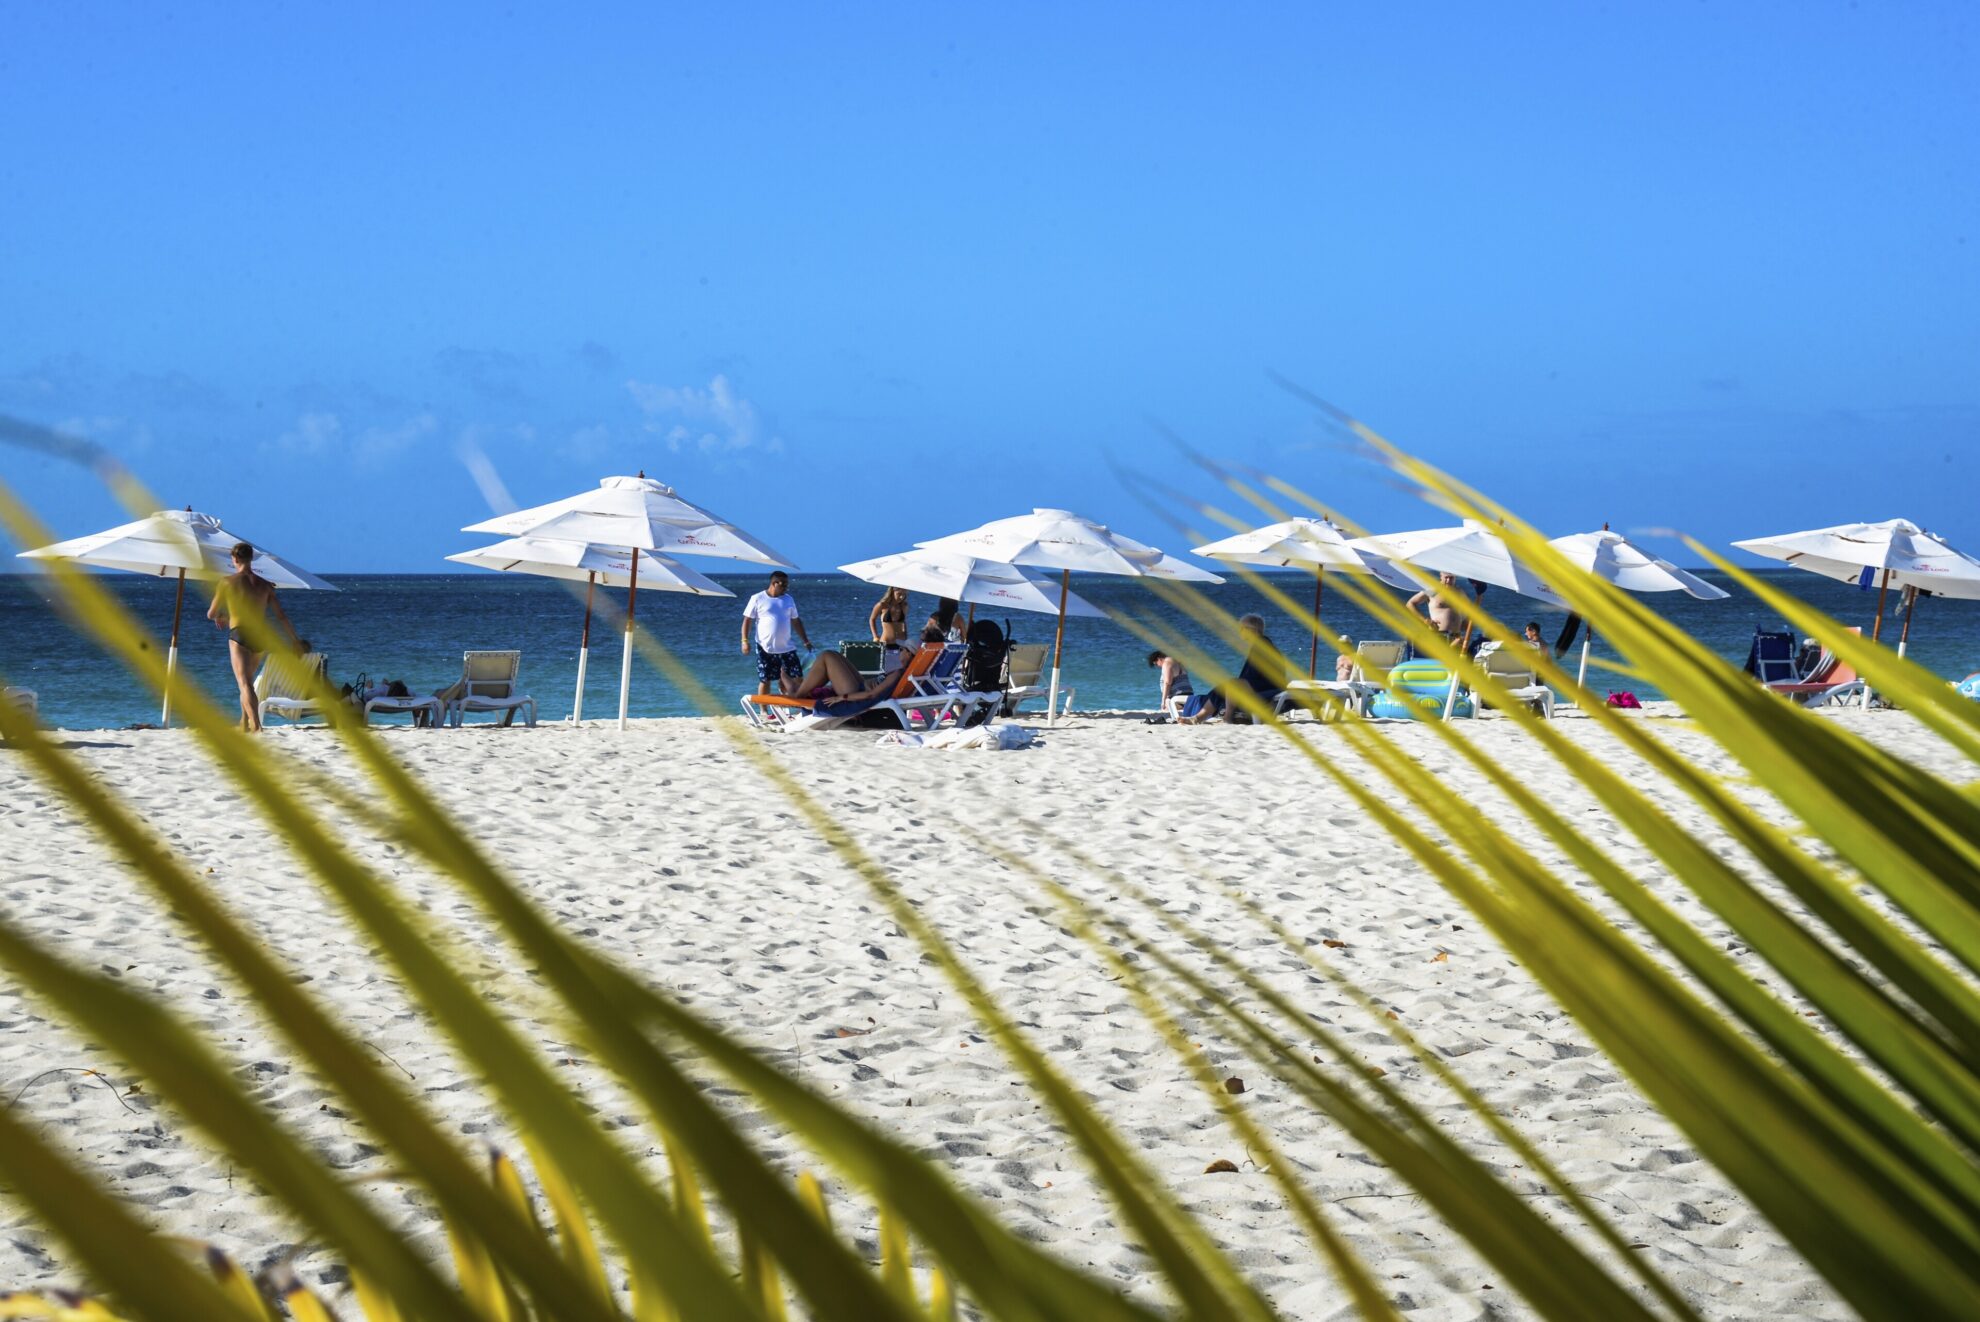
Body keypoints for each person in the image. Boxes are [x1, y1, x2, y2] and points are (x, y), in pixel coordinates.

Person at [206, 540, 299, 732]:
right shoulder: (266, 585)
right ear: (251, 558)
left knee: (245, 683)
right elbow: (281, 616)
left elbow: (211, 613)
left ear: (235, 559)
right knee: (247, 681)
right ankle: (244, 722)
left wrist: (224, 616)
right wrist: (294, 640)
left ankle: (256, 725)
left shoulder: (226, 582)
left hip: (240, 633)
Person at [1185, 615, 1287, 724]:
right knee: (1225, 686)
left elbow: (1253, 674)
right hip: (1266, 684)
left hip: (1269, 687)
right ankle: (1197, 718)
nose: (1240, 631)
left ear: (1252, 630)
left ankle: (1227, 717)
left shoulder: (1261, 645)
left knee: (1232, 684)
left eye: (1242, 628)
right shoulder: (1261, 644)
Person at [741, 571, 813, 696]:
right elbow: (747, 620)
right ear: (774, 583)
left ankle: (799, 707)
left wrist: (806, 641)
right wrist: (744, 641)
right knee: (765, 680)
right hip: (765, 647)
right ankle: (764, 712)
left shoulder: (788, 599)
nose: (786, 587)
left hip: (787, 647)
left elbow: (796, 621)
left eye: (787, 585)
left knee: (798, 677)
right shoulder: (757, 598)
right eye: (784, 584)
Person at [787, 647, 905, 702]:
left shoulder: (897, 673)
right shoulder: (899, 672)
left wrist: (841, 697)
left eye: (903, 650)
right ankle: (799, 690)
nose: (900, 651)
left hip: (857, 693)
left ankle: (798, 695)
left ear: (909, 654)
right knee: (834, 655)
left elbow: (871, 695)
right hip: (861, 685)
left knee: (827, 655)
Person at [1406, 572, 1479, 647]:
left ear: (1455, 578)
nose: (1448, 580)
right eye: (1446, 577)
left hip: (1457, 637)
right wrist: (1425, 620)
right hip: (1440, 636)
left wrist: (1467, 626)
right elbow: (1410, 603)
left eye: (1451, 578)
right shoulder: (1433, 590)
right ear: (1441, 576)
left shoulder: (1460, 592)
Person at [1146, 649, 1200, 722]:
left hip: (1178, 697)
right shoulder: (1178, 662)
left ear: (1159, 659)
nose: (1158, 666)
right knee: (1168, 706)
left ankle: (1176, 716)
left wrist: (1163, 700)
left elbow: (1167, 682)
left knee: (1166, 705)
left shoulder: (1167, 663)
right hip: (1189, 695)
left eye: (1156, 664)